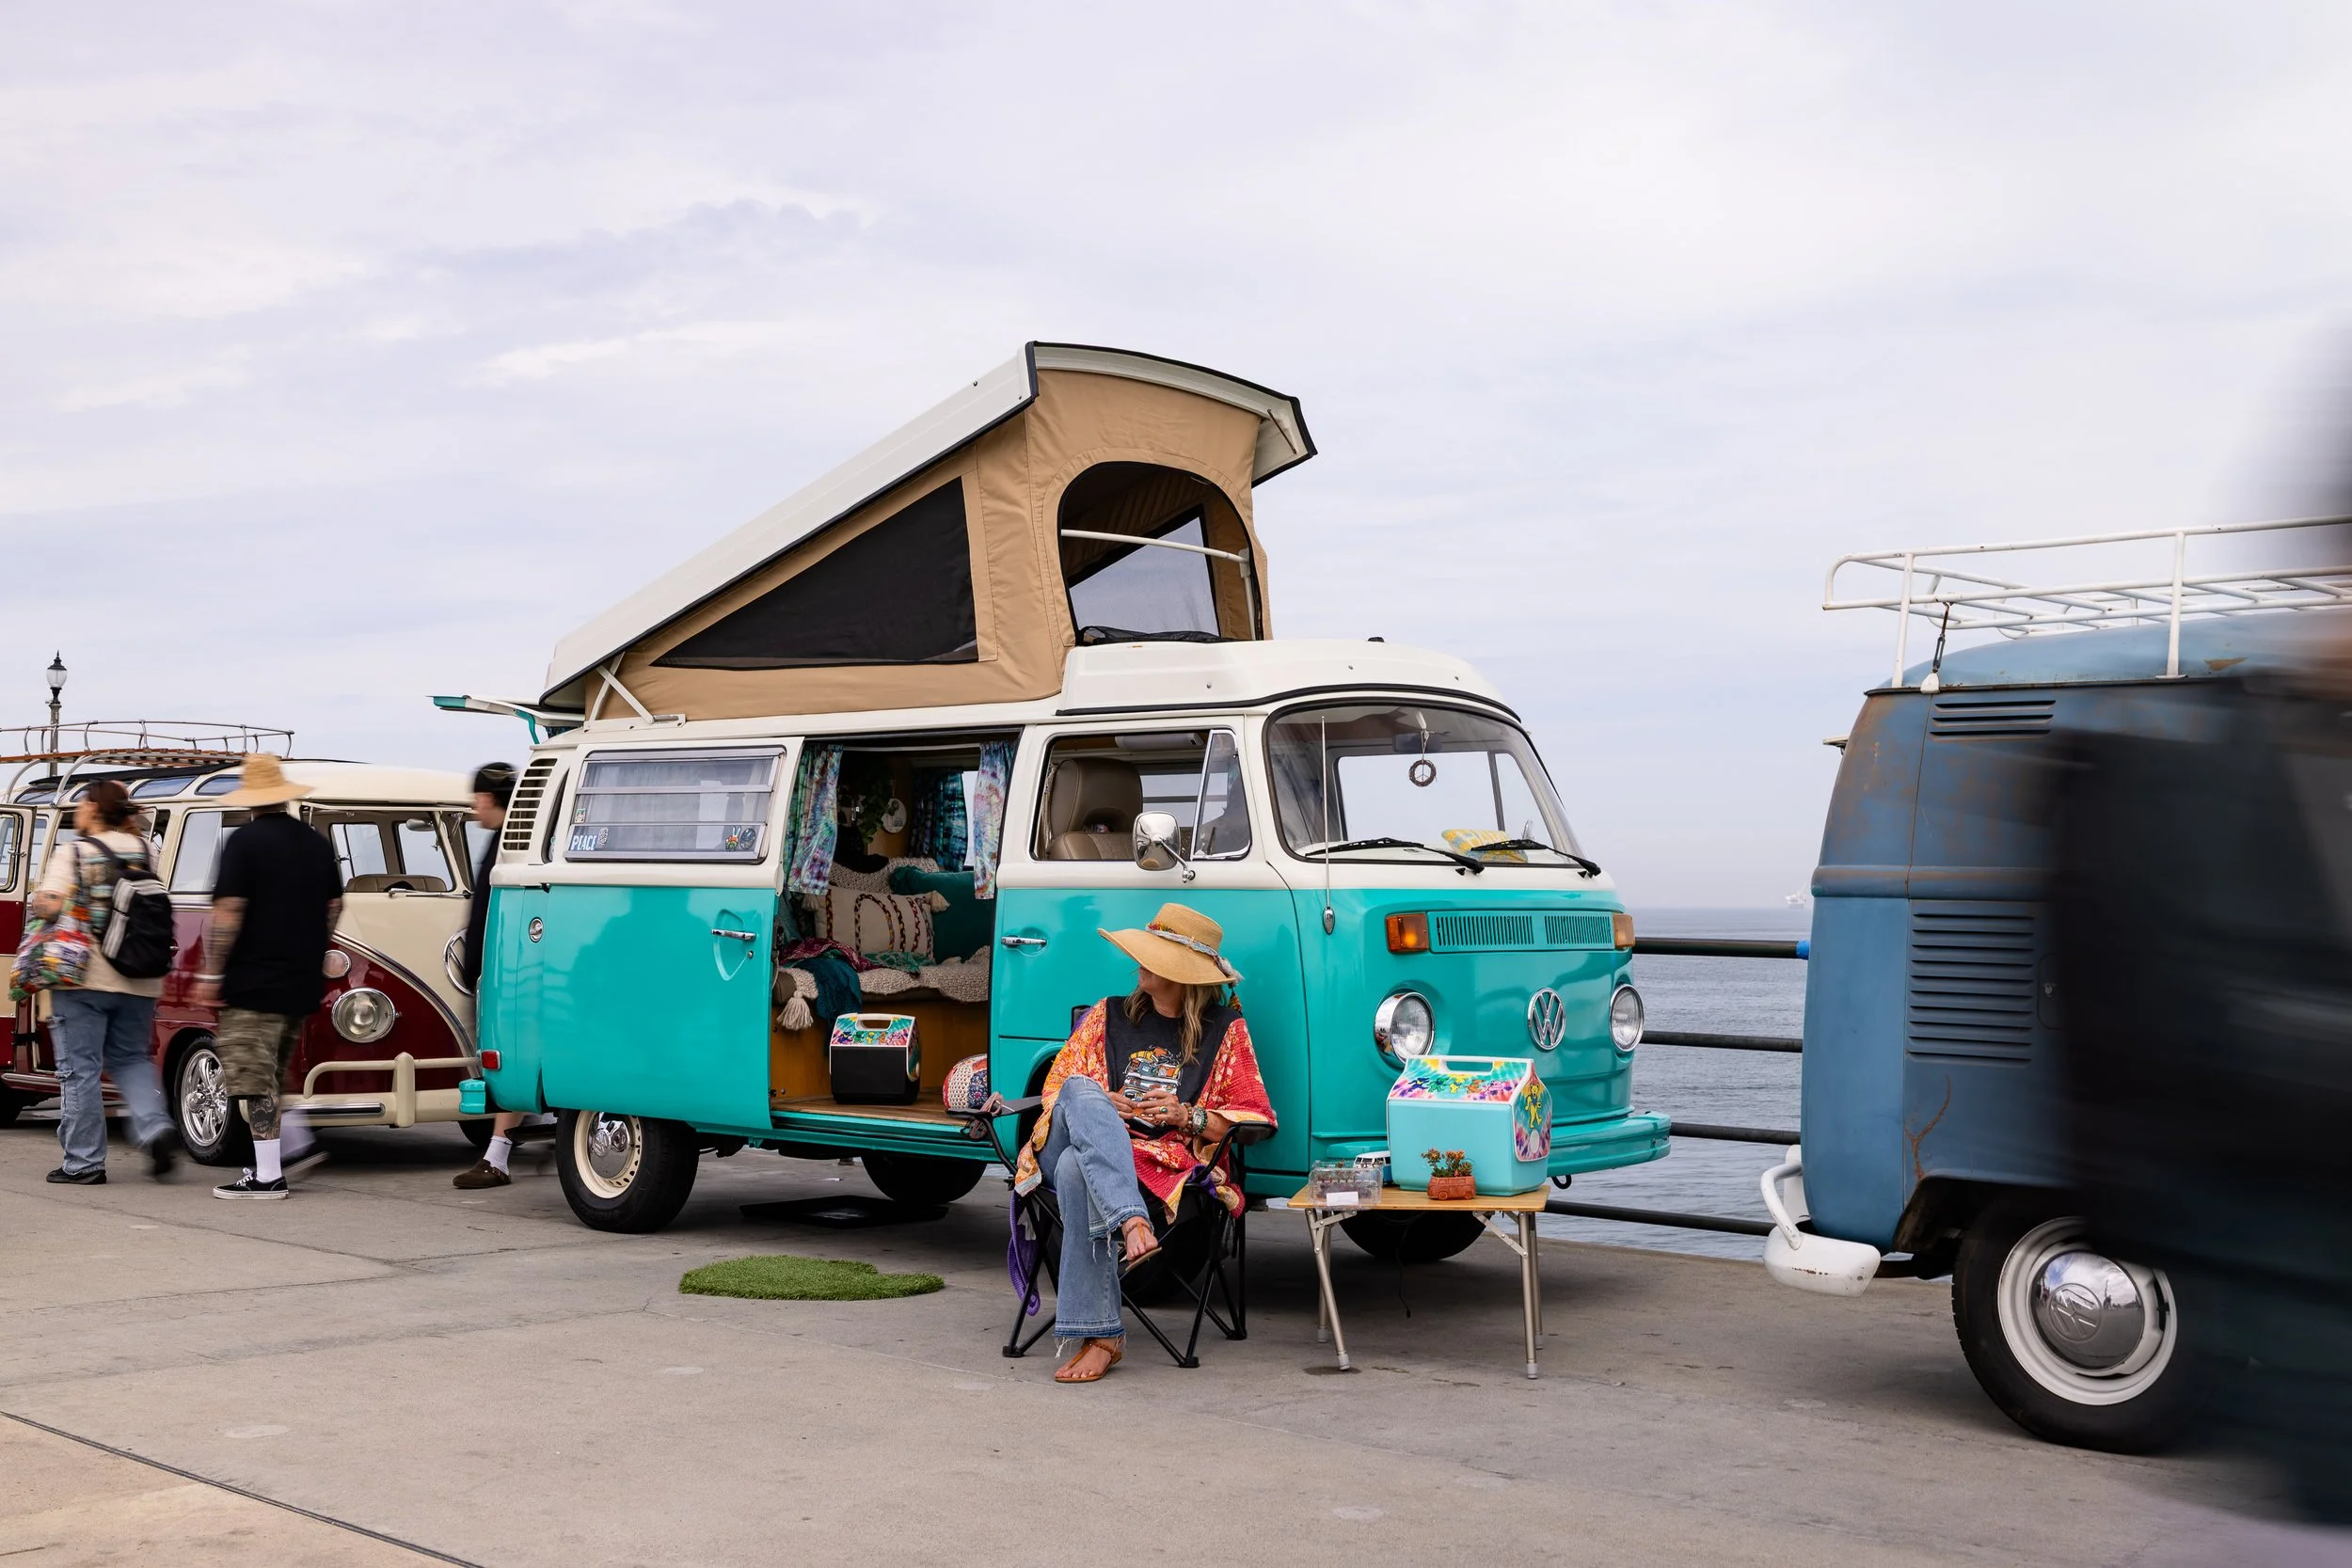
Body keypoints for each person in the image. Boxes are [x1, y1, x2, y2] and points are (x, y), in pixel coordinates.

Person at [1007, 902, 1276, 1384]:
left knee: (1074, 1170)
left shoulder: (1224, 1031)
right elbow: (1057, 1093)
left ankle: (1102, 1336)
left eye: (1154, 955)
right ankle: (1131, 1223)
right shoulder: (1107, 1015)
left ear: (1181, 973)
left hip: (1154, 1161)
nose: (1140, 962)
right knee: (1078, 1091)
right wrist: (1104, 1102)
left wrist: (1186, 1115)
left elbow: (1254, 1117)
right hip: (1084, 1142)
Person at [194, 755, 342, 1200]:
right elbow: (333, 907)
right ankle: (292, 1148)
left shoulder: (245, 841)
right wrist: (310, 945)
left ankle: (268, 1176)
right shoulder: (315, 842)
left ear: (251, 800)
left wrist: (213, 970)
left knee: (252, 1081)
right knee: (275, 1075)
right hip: (298, 982)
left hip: (252, 983)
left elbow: (229, 910)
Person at [31, 779, 179, 1184]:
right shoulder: (149, 849)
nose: (77, 810)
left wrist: (39, 901)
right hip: (140, 976)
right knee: (131, 1059)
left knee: (80, 1070)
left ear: (95, 809)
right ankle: (155, 1128)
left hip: (84, 979)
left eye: (81, 803)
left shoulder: (74, 850)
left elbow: (51, 904)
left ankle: (83, 1162)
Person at [453, 762, 534, 1190]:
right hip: (509, 970)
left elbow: (490, 912)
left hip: (505, 973)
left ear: (487, 799)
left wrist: (477, 969)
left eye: (476, 798)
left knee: (508, 1058)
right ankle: (502, 1147)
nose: (473, 807)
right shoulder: (520, 838)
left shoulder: (505, 843)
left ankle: (497, 1157)